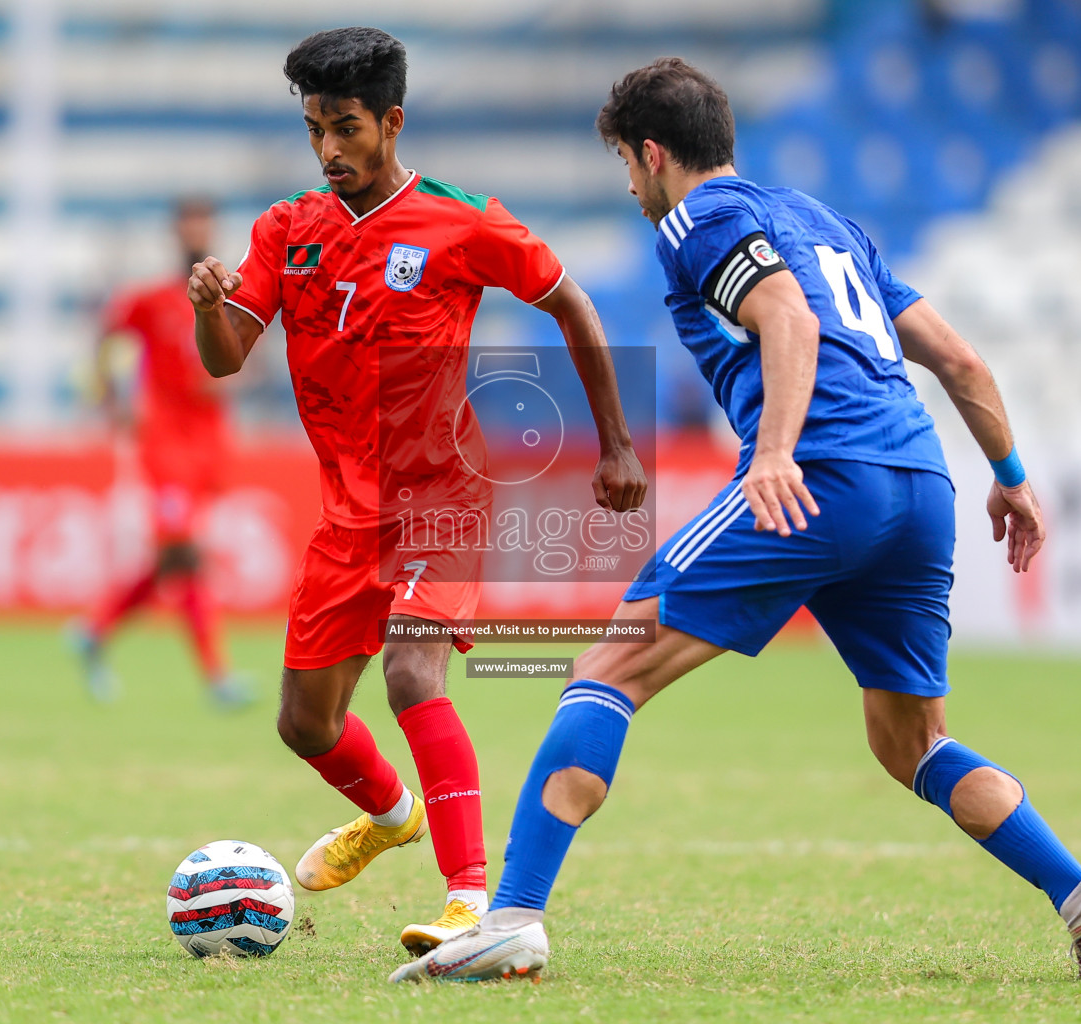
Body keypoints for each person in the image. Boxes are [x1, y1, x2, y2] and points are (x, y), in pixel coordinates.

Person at [393, 58, 1081, 984]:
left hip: (820, 474)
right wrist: (1012, 475)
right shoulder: (827, 221)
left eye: (626, 162)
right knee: (911, 740)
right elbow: (960, 360)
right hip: (919, 482)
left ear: (653, 153)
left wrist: (779, 452)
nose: (629, 184)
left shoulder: (695, 220)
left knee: (607, 664)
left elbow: (786, 316)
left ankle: (511, 918)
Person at [185, 27, 648, 953]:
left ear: (390, 122)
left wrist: (617, 444)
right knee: (305, 724)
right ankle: (393, 817)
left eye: (346, 127)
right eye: (315, 127)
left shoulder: (462, 221)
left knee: (408, 674)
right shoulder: (287, 229)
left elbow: (571, 301)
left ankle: (474, 902)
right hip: (347, 509)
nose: (328, 150)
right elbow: (227, 360)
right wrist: (207, 307)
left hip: (443, 493)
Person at [67, 198, 256, 710]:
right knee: (185, 554)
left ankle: (94, 631)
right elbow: (105, 337)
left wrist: (232, 381)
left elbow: (252, 360)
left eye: (204, 223)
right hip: (166, 443)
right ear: (177, 232)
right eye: (189, 223)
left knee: (174, 558)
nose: (196, 231)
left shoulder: (230, 296)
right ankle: (217, 677)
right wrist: (110, 400)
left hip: (210, 446)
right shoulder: (150, 299)